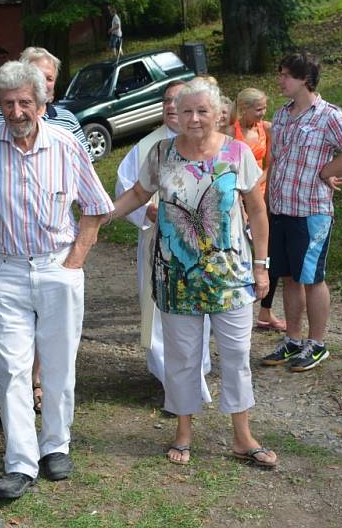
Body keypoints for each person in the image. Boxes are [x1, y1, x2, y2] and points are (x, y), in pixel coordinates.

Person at [0, 60, 113, 499]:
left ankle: (56, 445)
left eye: (25, 102)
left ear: (41, 104)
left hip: (57, 266)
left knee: (60, 362)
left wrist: (75, 260)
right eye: (8, 103)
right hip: (5, 268)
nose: (17, 111)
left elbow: (97, 207)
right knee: (12, 368)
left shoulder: (66, 144)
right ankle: (20, 462)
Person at [111, 78, 277, 468]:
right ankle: (183, 432)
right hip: (176, 277)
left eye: (203, 111)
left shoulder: (238, 154)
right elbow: (137, 195)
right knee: (182, 357)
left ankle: (242, 435)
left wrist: (262, 265)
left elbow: (257, 211)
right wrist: (101, 217)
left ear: (220, 113)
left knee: (237, 356)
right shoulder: (161, 153)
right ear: (176, 114)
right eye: (187, 111)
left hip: (230, 277)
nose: (194, 118)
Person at [261, 52, 342, 372]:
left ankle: (317, 343)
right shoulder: (281, 115)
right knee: (289, 278)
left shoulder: (329, 115)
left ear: (305, 79)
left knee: (312, 278)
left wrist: (327, 171)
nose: (280, 80)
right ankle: (293, 340)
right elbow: (277, 160)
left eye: (285, 75)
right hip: (281, 209)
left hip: (311, 212)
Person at [115, 80, 213, 408]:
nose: (171, 106)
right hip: (159, 246)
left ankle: (195, 372)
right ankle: (171, 380)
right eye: (166, 100)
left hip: (202, 248)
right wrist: (147, 210)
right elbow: (125, 189)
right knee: (159, 312)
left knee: (200, 308)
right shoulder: (145, 148)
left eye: (178, 101)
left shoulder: (208, 145)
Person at [0, 47, 92, 162]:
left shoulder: (67, 120)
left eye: (49, 78)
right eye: (37, 75)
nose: (43, 83)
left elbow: (85, 164)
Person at [233, 87, 285, 332]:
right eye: (258, 108)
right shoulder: (230, 131)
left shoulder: (267, 128)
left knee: (267, 252)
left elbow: (270, 164)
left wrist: (255, 184)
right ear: (243, 108)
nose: (263, 112)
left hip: (261, 196)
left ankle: (266, 310)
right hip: (235, 197)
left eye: (265, 107)